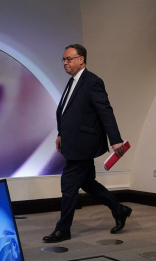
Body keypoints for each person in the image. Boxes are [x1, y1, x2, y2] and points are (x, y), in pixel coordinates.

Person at [42, 44, 131, 243]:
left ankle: (63, 229)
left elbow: (105, 111)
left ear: (81, 59)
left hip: (84, 144)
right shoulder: (72, 81)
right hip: (73, 142)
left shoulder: (93, 82)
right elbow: (67, 113)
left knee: (68, 185)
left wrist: (116, 140)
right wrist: (61, 134)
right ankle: (119, 209)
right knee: (87, 183)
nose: (65, 63)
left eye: (69, 59)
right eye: (64, 59)